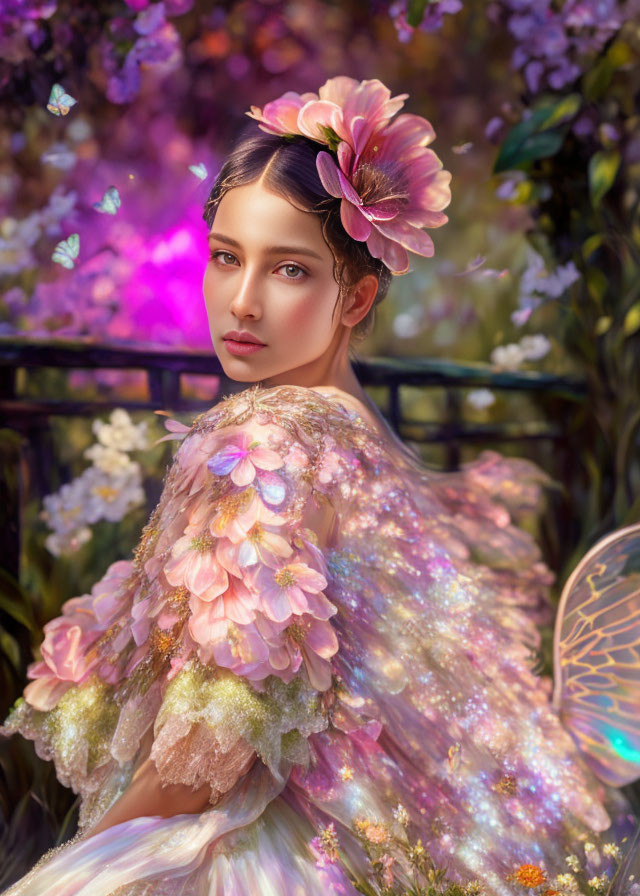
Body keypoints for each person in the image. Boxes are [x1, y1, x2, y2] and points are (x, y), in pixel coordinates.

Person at [1, 75, 639, 896]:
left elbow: (214, 748)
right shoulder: (358, 429)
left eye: (290, 271)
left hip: (276, 837)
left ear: (357, 295)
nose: (242, 300)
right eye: (227, 258)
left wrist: (86, 858)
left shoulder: (263, 440)